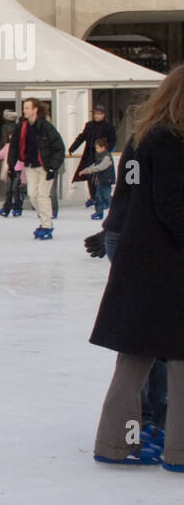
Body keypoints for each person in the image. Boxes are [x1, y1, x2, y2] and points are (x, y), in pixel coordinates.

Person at [89, 65, 184, 470]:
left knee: (136, 355)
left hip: (137, 257)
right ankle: (178, 450)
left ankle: (117, 443)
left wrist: (110, 231)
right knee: (178, 355)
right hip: (167, 264)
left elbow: (130, 197)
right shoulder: (173, 141)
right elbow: (173, 206)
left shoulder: (144, 138)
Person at [15, 97, 66, 240]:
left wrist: (52, 168)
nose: (24, 110)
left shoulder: (46, 126)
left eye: (27, 108)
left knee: (43, 195)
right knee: (32, 194)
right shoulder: (23, 126)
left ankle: (47, 224)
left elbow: (59, 148)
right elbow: (15, 145)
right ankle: (44, 217)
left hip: (45, 166)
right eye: (24, 108)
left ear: (35, 109)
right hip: (30, 165)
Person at [69, 105, 117, 207]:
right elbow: (82, 137)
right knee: (90, 177)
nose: (96, 116)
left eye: (99, 114)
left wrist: (105, 150)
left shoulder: (109, 127)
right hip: (89, 155)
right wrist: (73, 148)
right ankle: (94, 197)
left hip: (102, 156)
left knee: (102, 178)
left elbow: (113, 141)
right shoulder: (89, 125)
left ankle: (103, 200)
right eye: (95, 114)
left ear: (103, 115)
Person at [75, 137, 115, 221]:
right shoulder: (98, 156)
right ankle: (99, 212)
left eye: (97, 148)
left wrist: (91, 170)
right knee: (97, 197)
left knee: (106, 197)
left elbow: (101, 167)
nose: (96, 149)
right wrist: (84, 171)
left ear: (103, 147)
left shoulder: (107, 157)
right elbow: (94, 165)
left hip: (106, 180)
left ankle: (115, 209)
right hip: (99, 180)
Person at [0, 110, 24, 218]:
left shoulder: (6, 129)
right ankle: (12, 206)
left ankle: (13, 207)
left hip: (15, 165)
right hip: (12, 164)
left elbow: (3, 145)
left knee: (13, 188)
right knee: (11, 188)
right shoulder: (17, 129)